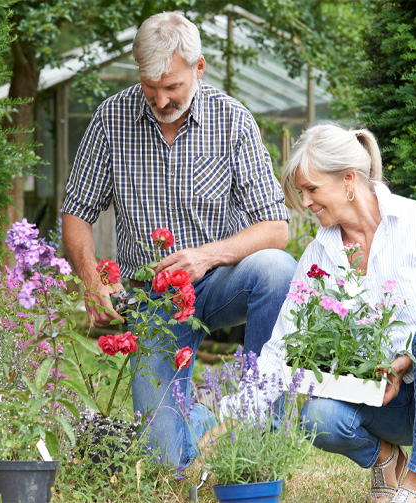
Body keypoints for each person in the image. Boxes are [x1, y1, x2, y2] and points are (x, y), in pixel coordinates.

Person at [60, 11, 297, 467]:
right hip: (152, 300)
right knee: (165, 459)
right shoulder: (112, 118)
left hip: (221, 280)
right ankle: (207, 421)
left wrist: (207, 257)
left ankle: (262, 432)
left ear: (199, 68)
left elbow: (276, 227)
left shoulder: (232, 121)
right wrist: (91, 280)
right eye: (151, 88)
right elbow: (77, 211)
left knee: (277, 271)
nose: (161, 100)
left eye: (173, 87)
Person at [253, 123, 416, 503]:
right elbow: (283, 341)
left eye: (312, 189)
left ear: (349, 180)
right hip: (384, 404)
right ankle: (385, 459)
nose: (306, 202)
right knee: (318, 418)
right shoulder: (320, 253)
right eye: (301, 192)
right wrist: (237, 406)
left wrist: (403, 364)